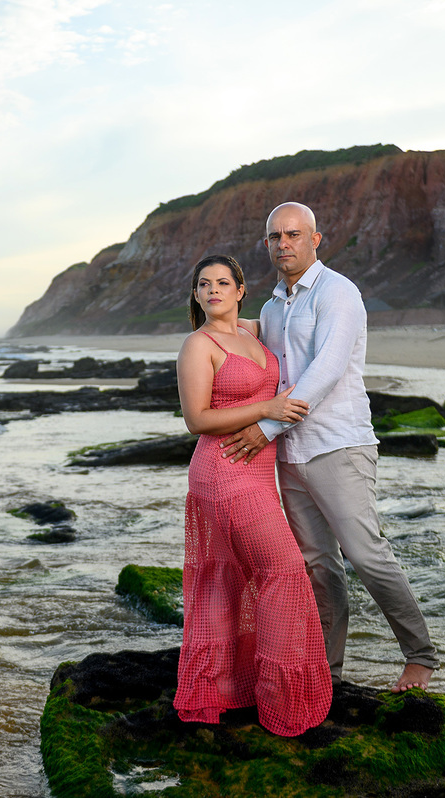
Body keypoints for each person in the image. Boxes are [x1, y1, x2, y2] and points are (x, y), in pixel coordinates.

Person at [222, 202, 440, 693]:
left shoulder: (339, 293)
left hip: (338, 444)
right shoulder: (275, 305)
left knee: (366, 555)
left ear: (316, 239)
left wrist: (265, 428)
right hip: (291, 456)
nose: (284, 244)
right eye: (276, 236)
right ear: (267, 245)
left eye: (294, 235)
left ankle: (420, 657)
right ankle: (329, 672)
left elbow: (326, 369)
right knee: (318, 567)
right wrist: (229, 325)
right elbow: (271, 356)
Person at [173, 254, 332, 737]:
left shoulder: (252, 332)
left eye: (223, 282)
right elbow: (196, 420)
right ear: (197, 295)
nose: (214, 290)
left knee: (231, 579)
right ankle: (281, 699)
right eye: (205, 284)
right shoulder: (197, 346)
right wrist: (268, 407)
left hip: (258, 472)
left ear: (241, 289)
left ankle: (224, 690)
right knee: (283, 571)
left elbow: (297, 324)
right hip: (224, 471)